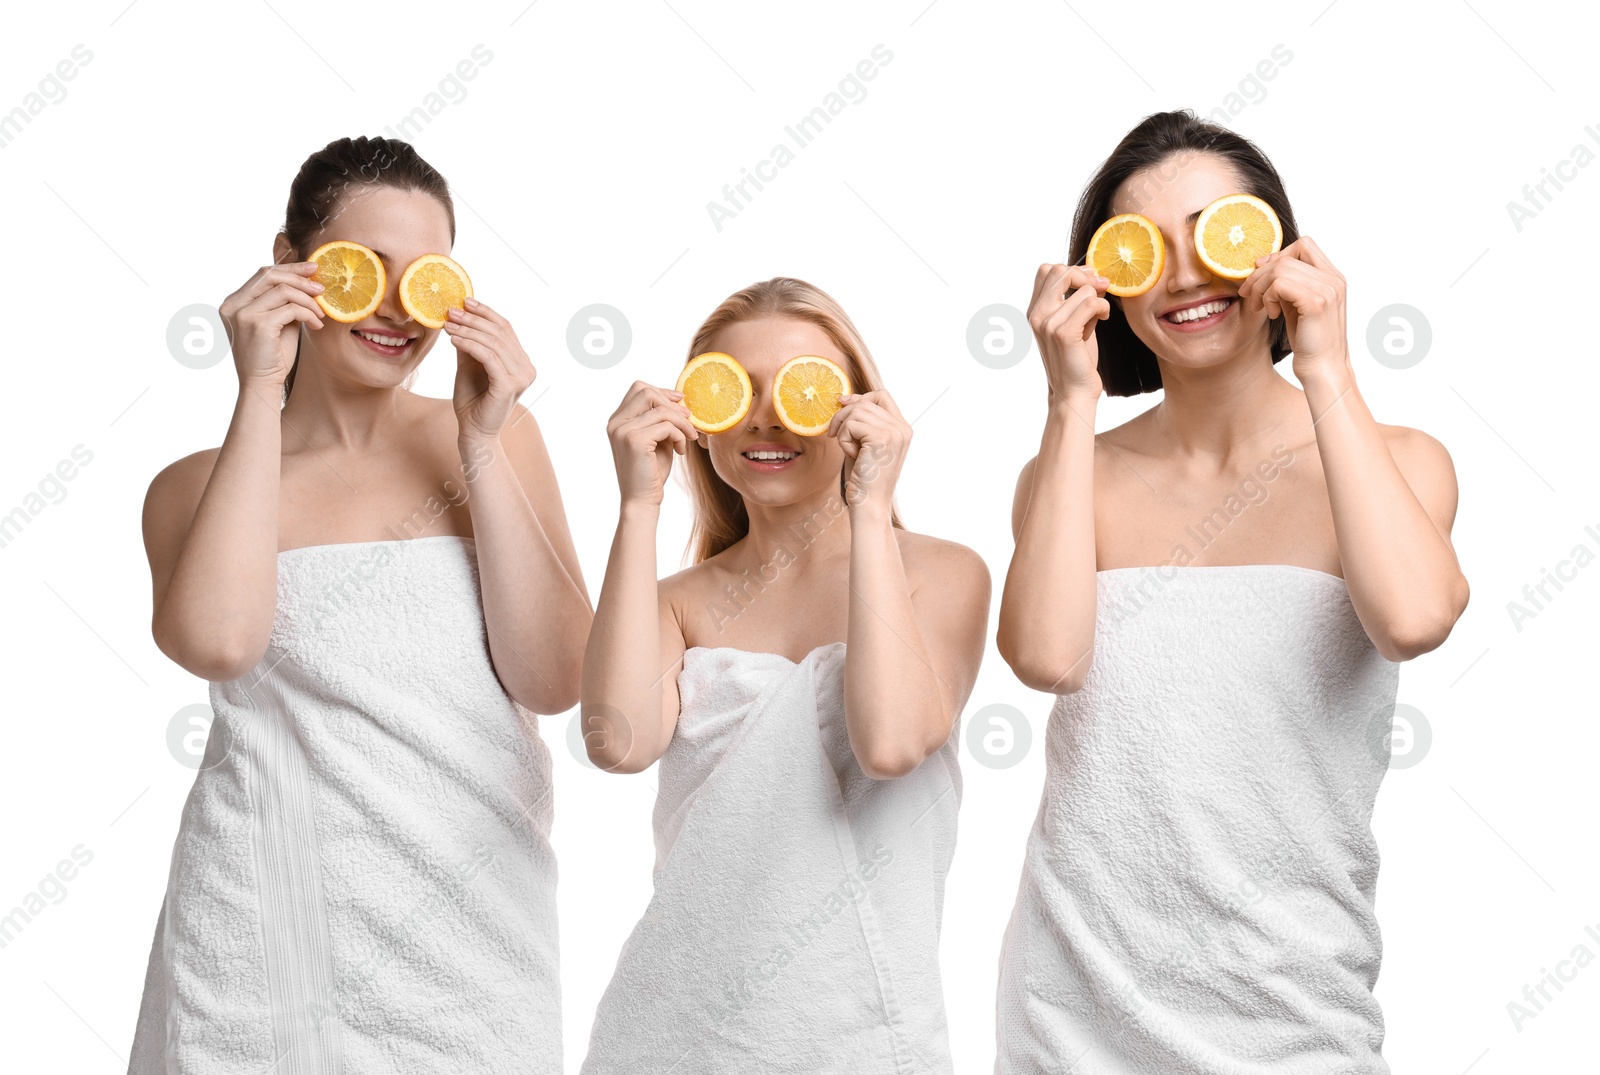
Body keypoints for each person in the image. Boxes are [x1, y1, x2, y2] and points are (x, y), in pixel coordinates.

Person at [993, 110, 1469, 1074]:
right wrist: (1068, 401)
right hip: (1070, 1010)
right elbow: (1047, 656)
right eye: (1141, 249)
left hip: (1293, 1006)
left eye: (1216, 234)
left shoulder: (1402, 463)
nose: (1182, 274)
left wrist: (1327, 360)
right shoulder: (1067, 473)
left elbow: (1413, 618)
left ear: (1275, 254)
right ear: (1103, 285)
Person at [128, 135, 588, 1074]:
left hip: (472, 941)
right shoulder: (192, 485)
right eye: (358, 270)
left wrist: (485, 444)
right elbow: (218, 641)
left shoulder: (497, 441)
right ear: (290, 269)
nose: (391, 307)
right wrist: (258, 389)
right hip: (260, 938)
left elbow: (556, 677)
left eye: (422, 277)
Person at [578, 277, 990, 1074]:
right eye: (735, 391)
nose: (766, 415)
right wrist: (638, 505)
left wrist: (870, 507)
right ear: (697, 420)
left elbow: (893, 740)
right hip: (671, 1035)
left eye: (801, 387)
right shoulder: (676, 603)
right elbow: (618, 743)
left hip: (864, 1039)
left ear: (857, 410)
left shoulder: (942, 574)